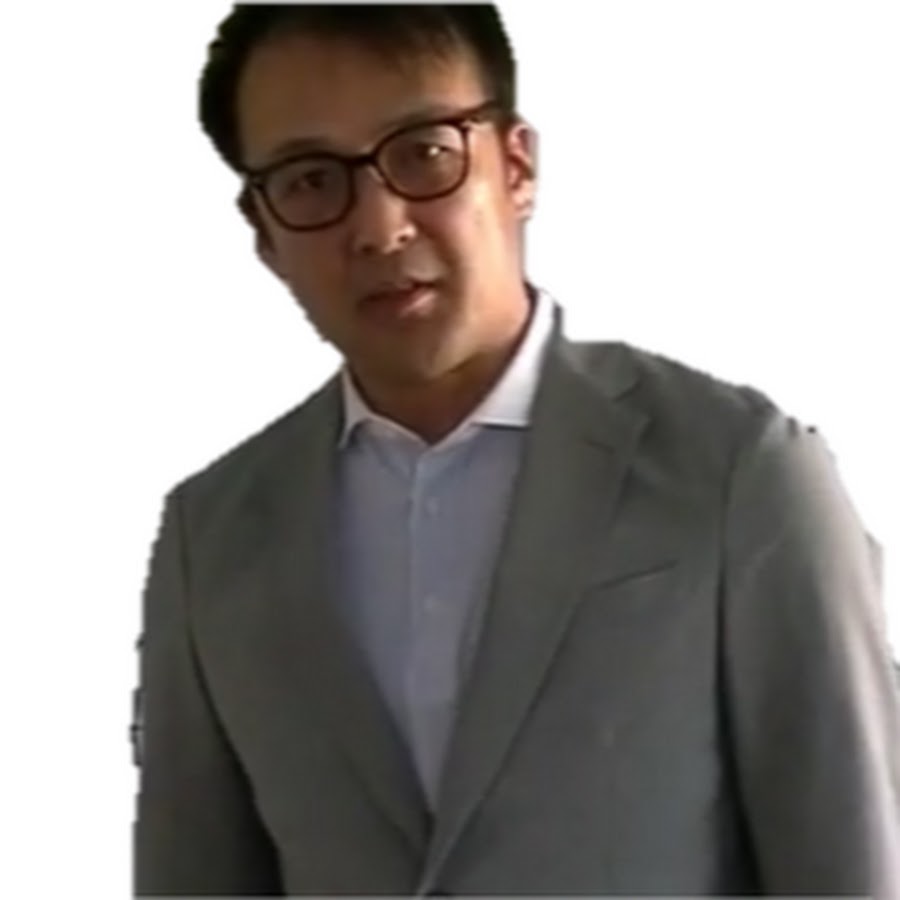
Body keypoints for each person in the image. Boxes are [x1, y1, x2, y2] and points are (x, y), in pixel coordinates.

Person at [132, 4, 900, 896]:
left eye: (424, 153)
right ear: (264, 232)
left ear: (517, 166)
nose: (379, 226)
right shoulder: (213, 537)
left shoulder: (738, 472)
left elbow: (856, 866)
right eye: (310, 180)